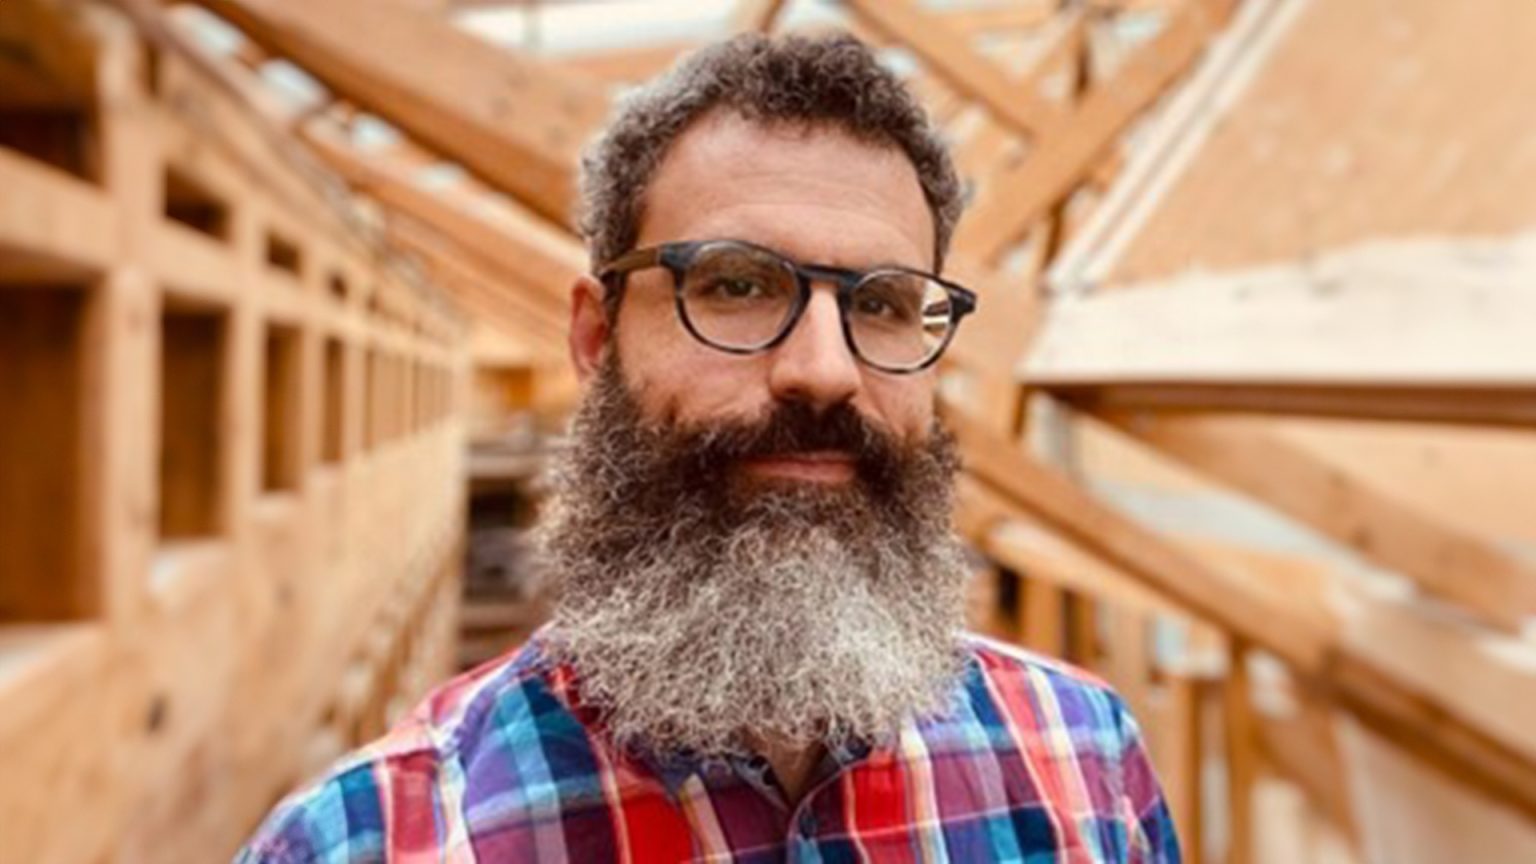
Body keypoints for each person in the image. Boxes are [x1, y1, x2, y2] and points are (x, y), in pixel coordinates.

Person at [238, 31, 1178, 863]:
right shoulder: (368, 841)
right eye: (737, 286)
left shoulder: (1084, 763)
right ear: (597, 337)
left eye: (885, 304)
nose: (824, 372)